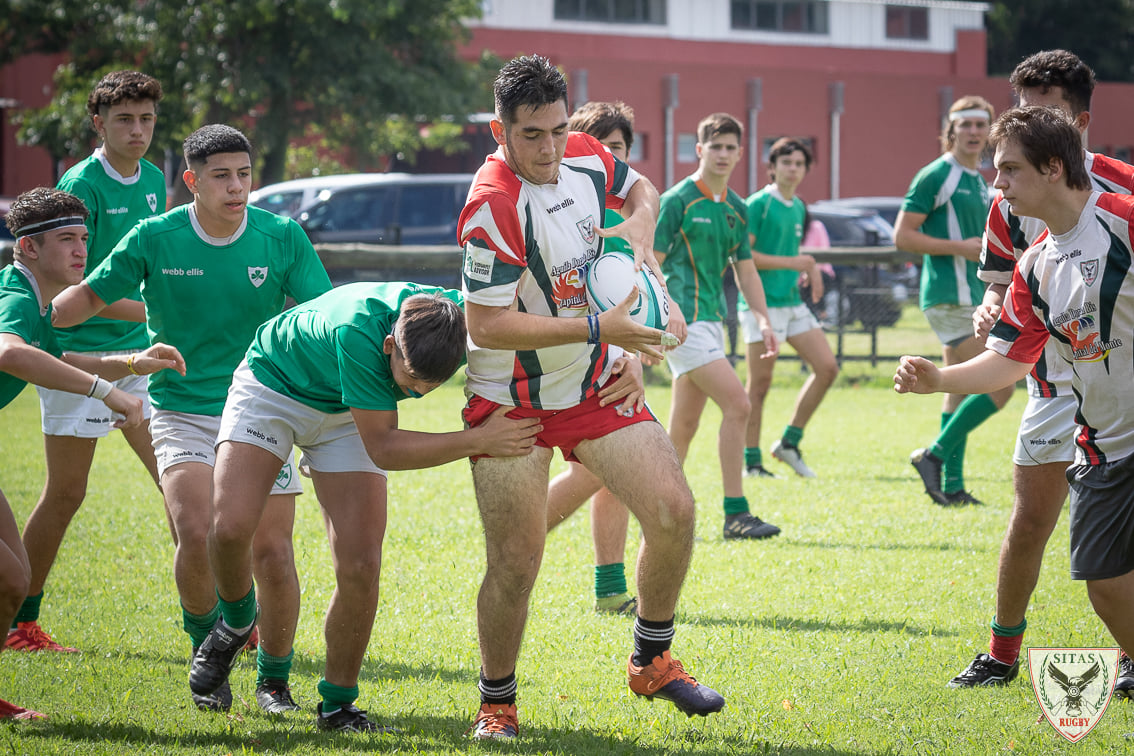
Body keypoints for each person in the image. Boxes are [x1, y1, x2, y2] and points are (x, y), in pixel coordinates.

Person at [458, 55, 725, 740]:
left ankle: (652, 660)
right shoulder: (490, 204)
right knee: (516, 562)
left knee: (674, 511)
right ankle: (498, 703)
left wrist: (639, 225)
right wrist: (600, 328)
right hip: (510, 396)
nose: (549, 150)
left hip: (593, 381)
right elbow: (484, 324)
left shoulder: (582, 153)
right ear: (500, 131)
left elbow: (645, 190)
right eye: (531, 136)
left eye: (555, 130)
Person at [51, 124, 332, 713]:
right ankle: (213, 650)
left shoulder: (281, 237)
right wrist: (35, 304)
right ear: (191, 181)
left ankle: (273, 680)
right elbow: (79, 302)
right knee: (197, 532)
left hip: (263, 407)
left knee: (272, 551)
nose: (236, 188)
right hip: (180, 408)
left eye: (244, 174)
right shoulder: (156, 237)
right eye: (221, 176)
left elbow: (319, 319)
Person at [189, 282, 540, 732]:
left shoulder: (459, 315)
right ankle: (236, 625)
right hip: (275, 386)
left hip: (349, 412)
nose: (416, 392)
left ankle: (337, 707)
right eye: (410, 379)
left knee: (360, 565)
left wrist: (618, 357)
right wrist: (476, 440)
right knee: (231, 528)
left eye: (431, 387)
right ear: (390, 343)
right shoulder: (358, 330)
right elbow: (385, 449)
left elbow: (533, 310)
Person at [895, 103, 1134, 694]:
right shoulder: (1037, 261)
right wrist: (937, 381)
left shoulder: (1125, 220)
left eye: (1009, 170)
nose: (997, 184)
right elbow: (1009, 359)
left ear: (1054, 168)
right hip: (1103, 443)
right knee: (1104, 586)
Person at [0, 187, 184, 719]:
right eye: (66, 240)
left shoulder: (33, 298)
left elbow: (60, 354)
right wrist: (107, 393)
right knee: (10, 577)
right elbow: (12, 353)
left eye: (84, 238)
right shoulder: (16, 294)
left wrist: (131, 363)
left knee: (11, 579)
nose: (82, 251)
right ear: (29, 248)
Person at [5, 71, 167, 655]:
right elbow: (81, 292)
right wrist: (162, 307)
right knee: (67, 492)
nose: (138, 130)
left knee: (179, 483)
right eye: (124, 119)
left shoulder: (152, 177)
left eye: (147, 118)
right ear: (98, 123)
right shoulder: (80, 184)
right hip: (80, 355)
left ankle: (227, 621)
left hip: (139, 355)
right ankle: (21, 621)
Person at [545, 100, 682, 615]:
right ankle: (524, 535)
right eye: (603, 147)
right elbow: (602, 292)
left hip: (615, 349)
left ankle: (607, 586)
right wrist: (626, 348)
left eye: (620, 148)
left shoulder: (629, 209)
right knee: (607, 470)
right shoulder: (577, 210)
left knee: (611, 474)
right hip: (583, 354)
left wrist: (668, 305)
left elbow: (642, 272)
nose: (611, 158)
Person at [655, 112, 781, 539]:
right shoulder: (677, 201)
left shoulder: (736, 208)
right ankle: (736, 513)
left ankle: (655, 504)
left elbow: (745, 271)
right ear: (700, 149)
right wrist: (667, 305)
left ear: (741, 154)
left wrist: (763, 318)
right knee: (739, 405)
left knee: (684, 427)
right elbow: (649, 263)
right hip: (682, 322)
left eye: (731, 148)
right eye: (717, 146)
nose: (724, 154)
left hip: (710, 323)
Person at [895, 95, 1013, 506]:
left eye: (982, 125)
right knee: (1000, 383)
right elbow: (902, 236)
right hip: (949, 296)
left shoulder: (981, 179)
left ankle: (952, 485)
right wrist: (958, 248)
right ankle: (934, 455)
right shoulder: (937, 174)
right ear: (952, 130)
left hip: (971, 296)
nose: (974, 132)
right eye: (966, 125)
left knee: (957, 390)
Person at [742, 137, 839, 479]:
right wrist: (798, 262)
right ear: (772, 167)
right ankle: (752, 463)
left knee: (827, 368)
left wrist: (809, 269)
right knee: (760, 385)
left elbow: (795, 258)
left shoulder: (798, 206)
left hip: (793, 305)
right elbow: (744, 256)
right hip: (760, 307)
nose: (793, 168)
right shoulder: (758, 204)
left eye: (799, 163)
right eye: (786, 162)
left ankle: (789, 443)